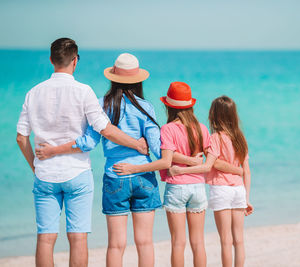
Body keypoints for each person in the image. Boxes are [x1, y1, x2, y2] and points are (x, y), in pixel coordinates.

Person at [16, 39, 147, 267]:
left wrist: (35, 166)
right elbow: (105, 130)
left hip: (45, 175)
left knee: (45, 239)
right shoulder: (83, 91)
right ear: (75, 61)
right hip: (77, 173)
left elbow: (21, 137)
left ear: (51, 60)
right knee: (78, 238)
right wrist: (136, 144)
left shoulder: (33, 93)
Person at [113, 83, 243, 267]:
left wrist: (132, 168)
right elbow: (210, 161)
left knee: (178, 243)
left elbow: (166, 159)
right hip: (198, 188)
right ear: (190, 105)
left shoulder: (167, 129)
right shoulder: (202, 129)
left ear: (168, 106)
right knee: (198, 243)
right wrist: (238, 170)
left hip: (177, 187)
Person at [168, 95, 253, 267]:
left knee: (225, 240)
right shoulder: (240, 138)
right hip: (239, 190)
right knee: (239, 239)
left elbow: (208, 167)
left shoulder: (216, 138)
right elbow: (247, 171)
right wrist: (247, 199)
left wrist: (182, 170)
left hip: (221, 189)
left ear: (214, 115)